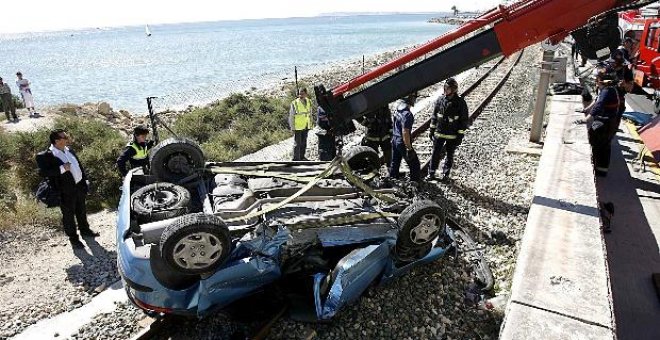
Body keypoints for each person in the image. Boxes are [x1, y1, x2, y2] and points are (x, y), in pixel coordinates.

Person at [36, 129, 98, 249]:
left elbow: (79, 165)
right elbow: (43, 173)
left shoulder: (69, 150)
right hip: (65, 191)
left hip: (79, 186)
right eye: (65, 137)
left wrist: (85, 180)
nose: (67, 138)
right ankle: (74, 239)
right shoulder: (46, 155)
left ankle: (85, 231)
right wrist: (62, 169)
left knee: (81, 210)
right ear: (57, 141)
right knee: (68, 215)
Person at [427, 78, 469, 182]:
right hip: (439, 133)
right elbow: (434, 116)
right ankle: (431, 173)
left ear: (454, 89)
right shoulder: (440, 100)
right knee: (435, 154)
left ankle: (446, 174)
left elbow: (463, 121)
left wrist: (460, 136)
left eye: (448, 88)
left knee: (449, 155)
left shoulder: (460, 102)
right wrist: (431, 130)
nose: (445, 90)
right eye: (445, 87)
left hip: (452, 135)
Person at [580, 70, 620, 177]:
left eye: (597, 80)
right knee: (603, 145)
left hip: (605, 122)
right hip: (607, 121)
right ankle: (600, 169)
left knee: (598, 142)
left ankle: (599, 170)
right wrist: (586, 109)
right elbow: (597, 100)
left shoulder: (607, 91)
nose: (596, 82)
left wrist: (587, 118)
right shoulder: (607, 89)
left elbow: (599, 105)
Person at [389, 93, 421, 182]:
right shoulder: (407, 115)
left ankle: (392, 180)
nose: (415, 100)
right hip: (402, 141)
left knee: (395, 162)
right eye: (414, 98)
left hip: (395, 139)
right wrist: (409, 148)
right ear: (409, 99)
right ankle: (415, 184)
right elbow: (405, 132)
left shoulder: (398, 109)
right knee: (414, 164)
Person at [288, 88, 314, 161]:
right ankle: (296, 159)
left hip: (306, 125)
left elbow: (310, 114)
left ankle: (302, 157)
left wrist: (311, 124)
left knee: (304, 142)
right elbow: (291, 116)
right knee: (297, 143)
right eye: (299, 93)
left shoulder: (309, 101)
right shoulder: (295, 103)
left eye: (302, 93)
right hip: (298, 126)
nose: (300, 95)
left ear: (306, 94)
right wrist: (292, 127)